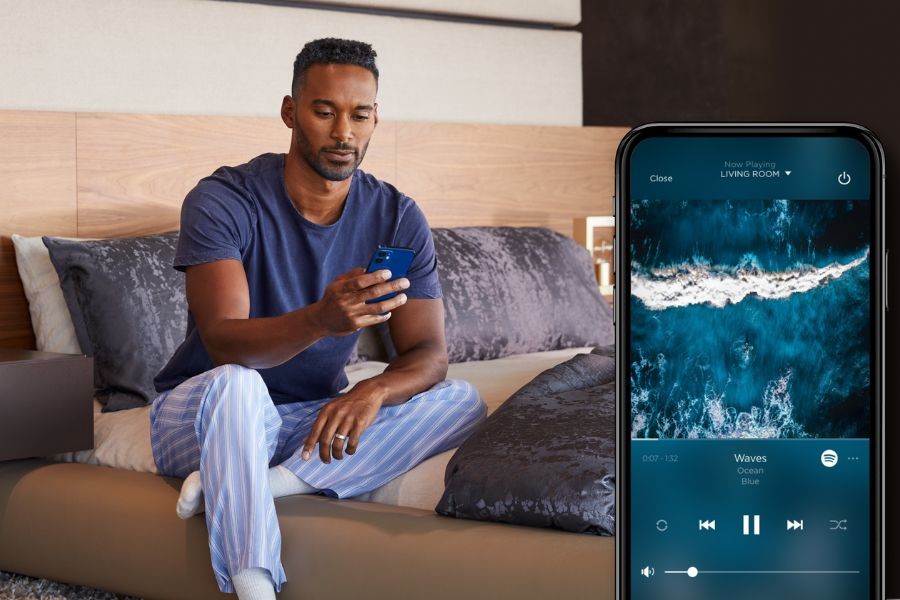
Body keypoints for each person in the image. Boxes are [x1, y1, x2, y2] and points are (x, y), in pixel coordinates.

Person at [150, 38, 486, 600]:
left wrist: (373, 392)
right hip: (203, 411)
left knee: (462, 400)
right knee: (239, 386)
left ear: (376, 117)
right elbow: (225, 342)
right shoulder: (223, 200)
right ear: (290, 111)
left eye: (359, 114)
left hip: (306, 420)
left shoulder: (397, 215)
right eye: (324, 111)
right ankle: (255, 589)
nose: (343, 133)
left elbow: (428, 353)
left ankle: (265, 483)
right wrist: (320, 322)